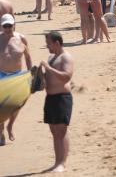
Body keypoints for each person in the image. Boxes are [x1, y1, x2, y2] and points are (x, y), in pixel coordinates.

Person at [41, 31, 74, 173]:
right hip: (50, 98)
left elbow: (66, 77)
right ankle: (57, 162)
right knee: (54, 131)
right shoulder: (51, 58)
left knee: (61, 130)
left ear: (57, 43)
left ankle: (62, 162)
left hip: (62, 97)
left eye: (49, 44)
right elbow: (48, 78)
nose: (47, 46)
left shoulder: (66, 57)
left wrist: (49, 69)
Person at [0, 14, 32, 145]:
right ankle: (1, 132)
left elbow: (28, 57)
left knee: (17, 106)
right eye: (5, 26)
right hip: (1, 76)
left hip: (18, 76)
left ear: (14, 24)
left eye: (10, 25)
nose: (7, 28)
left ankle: (10, 126)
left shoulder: (21, 38)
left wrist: (31, 73)